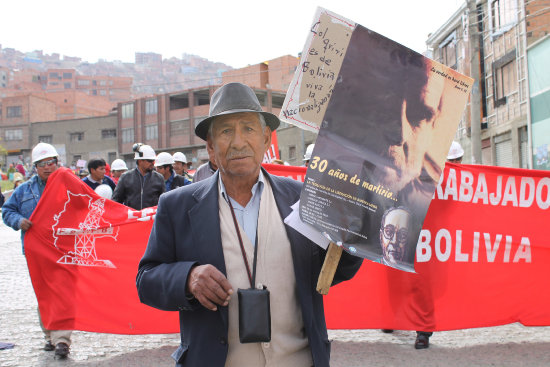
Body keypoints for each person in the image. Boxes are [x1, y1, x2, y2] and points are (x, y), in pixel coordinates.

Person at [136, 82, 362, 367]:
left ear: (266, 138)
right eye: (226, 131)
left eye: (249, 129)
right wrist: (188, 277)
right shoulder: (177, 206)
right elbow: (146, 280)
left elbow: (332, 271)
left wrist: (352, 235)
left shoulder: (303, 199)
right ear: (211, 146)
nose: (239, 141)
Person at [2, 142, 72, 358]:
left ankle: (62, 340)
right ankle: (49, 335)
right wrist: (19, 221)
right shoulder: (24, 190)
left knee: (62, 293)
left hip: (62, 250)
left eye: (51, 162)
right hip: (35, 252)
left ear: (57, 164)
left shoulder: (68, 186)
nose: (47, 167)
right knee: (44, 295)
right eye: (42, 164)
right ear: (35, 167)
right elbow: (7, 210)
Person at [112, 143, 165, 210]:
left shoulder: (159, 178)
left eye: (153, 160)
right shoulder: (125, 178)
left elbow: (163, 202)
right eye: (150, 161)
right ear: (140, 161)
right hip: (132, 219)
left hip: (151, 219)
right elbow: (116, 201)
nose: (153, 163)